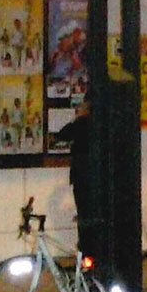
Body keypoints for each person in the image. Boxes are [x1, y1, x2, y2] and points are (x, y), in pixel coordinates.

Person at [55, 100, 97, 254]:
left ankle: (86, 249)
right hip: (95, 177)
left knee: (84, 213)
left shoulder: (81, 124)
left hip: (82, 176)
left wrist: (77, 118)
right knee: (91, 214)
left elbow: (62, 135)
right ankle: (92, 249)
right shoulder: (98, 125)